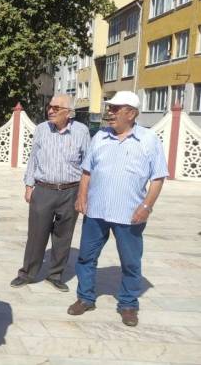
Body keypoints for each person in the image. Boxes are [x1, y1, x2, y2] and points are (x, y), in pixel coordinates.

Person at [68, 91, 167, 328]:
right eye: (109, 108)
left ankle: (128, 304)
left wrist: (146, 207)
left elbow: (158, 178)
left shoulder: (149, 140)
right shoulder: (100, 136)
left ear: (131, 113)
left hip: (130, 215)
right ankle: (85, 297)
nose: (109, 112)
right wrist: (82, 197)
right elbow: (87, 171)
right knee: (86, 258)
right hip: (96, 211)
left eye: (115, 108)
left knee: (131, 262)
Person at [10, 94, 90, 292]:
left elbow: (88, 164)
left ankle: (55, 275)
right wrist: (29, 186)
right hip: (44, 189)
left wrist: (84, 194)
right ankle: (27, 273)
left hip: (70, 191)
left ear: (69, 113)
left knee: (63, 236)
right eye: (50, 107)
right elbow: (33, 159)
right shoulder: (42, 129)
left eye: (56, 108)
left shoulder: (82, 132)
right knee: (36, 235)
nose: (50, 110)